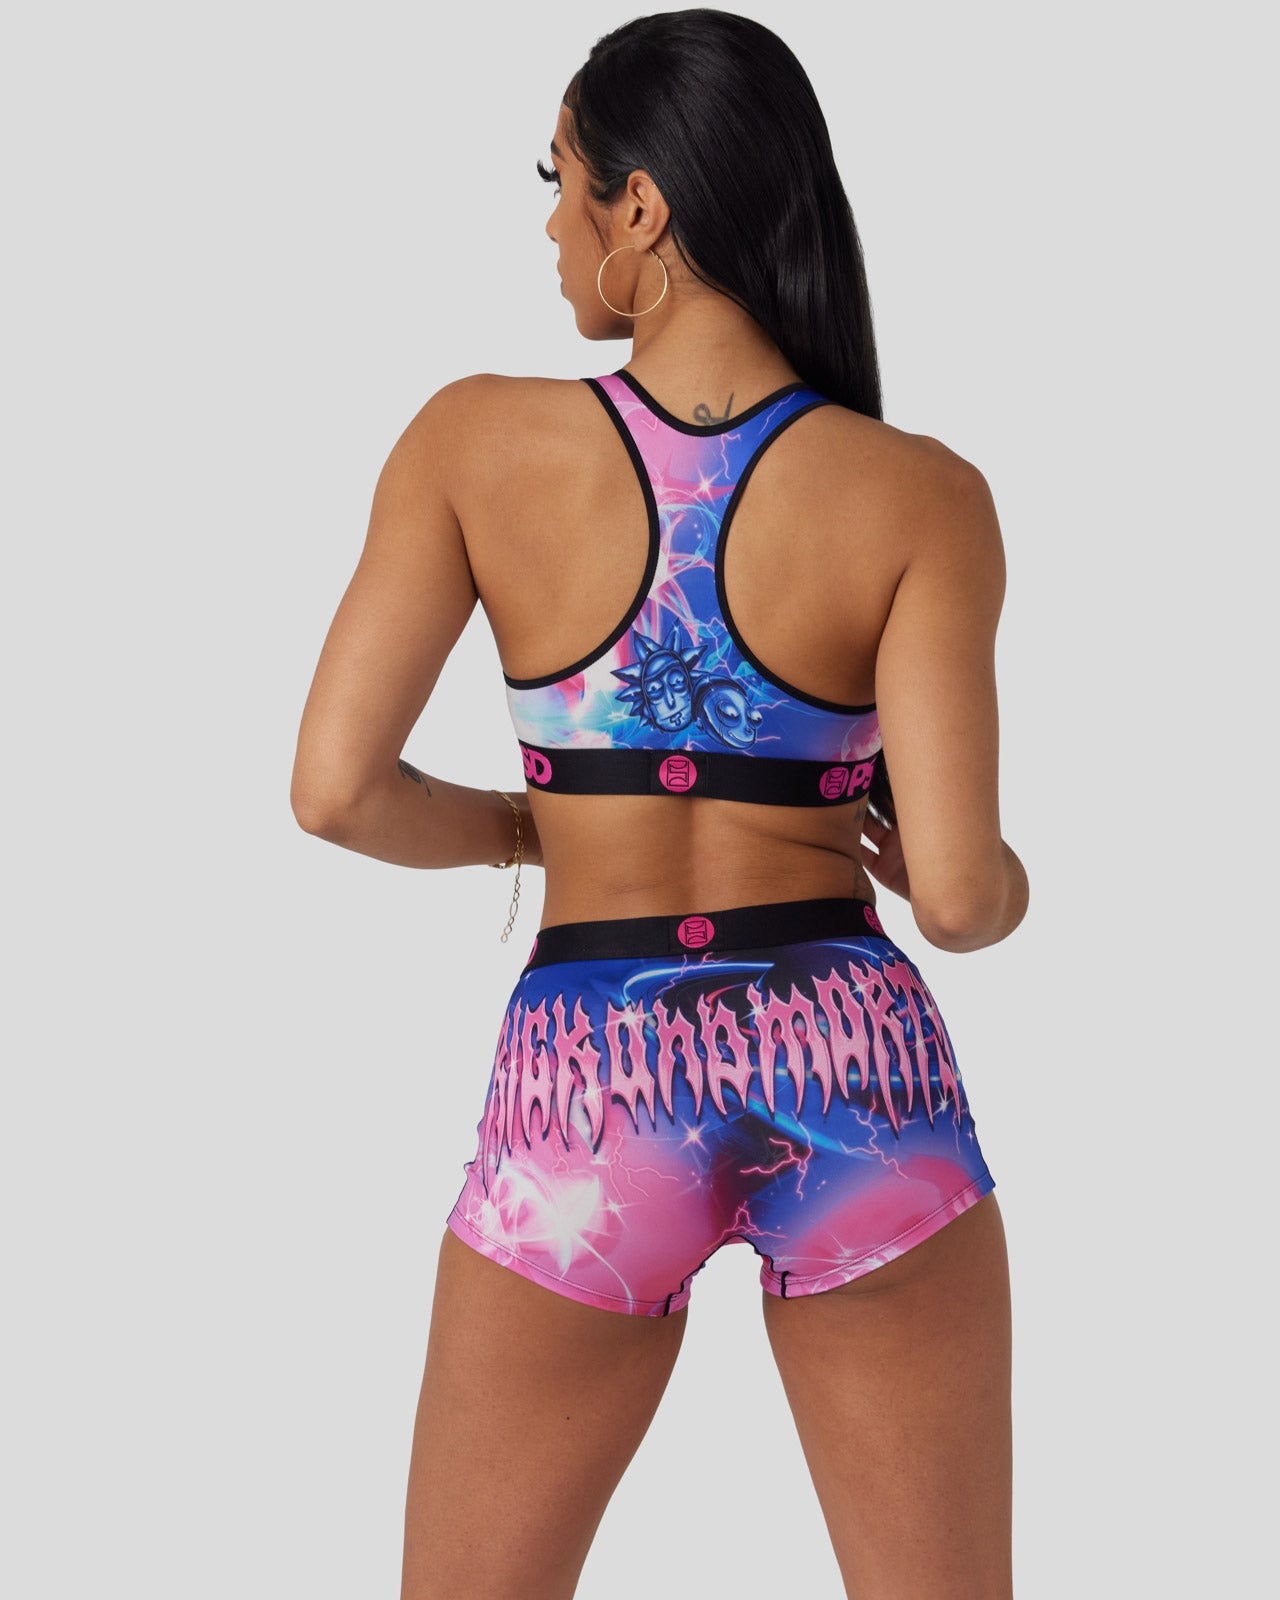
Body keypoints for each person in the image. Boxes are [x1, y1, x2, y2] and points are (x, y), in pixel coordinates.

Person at [291, 10, 1029, 1598]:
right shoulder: (922, 493)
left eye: (556, 180)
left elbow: (337, 792)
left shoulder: (473, 442)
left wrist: (524, 828)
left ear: (643, 206)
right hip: (857, 1073)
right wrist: (986, 872)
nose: (551, 224)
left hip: (591, 1085)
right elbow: (965, 900)